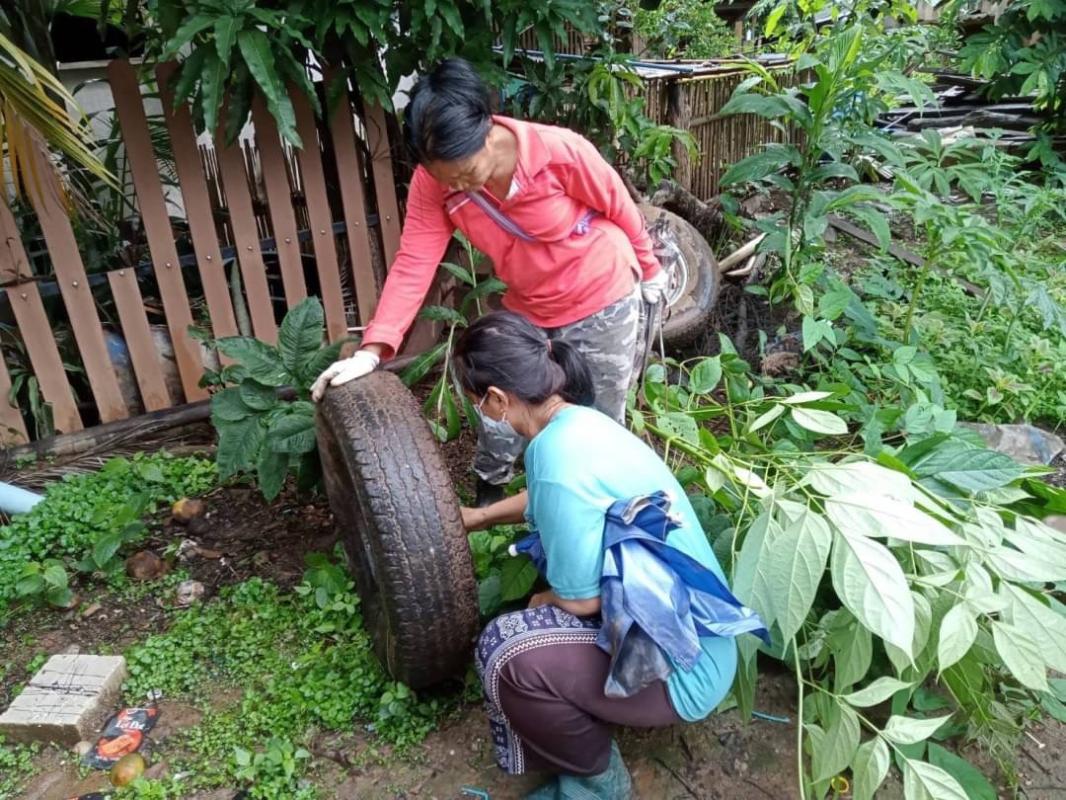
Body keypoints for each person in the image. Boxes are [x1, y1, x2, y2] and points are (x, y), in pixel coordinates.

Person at [310, 57, 668, 505]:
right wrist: (373, 349)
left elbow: (619, 207)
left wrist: (651, 272)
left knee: (594, 420)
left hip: (602, 296)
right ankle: (491, 493)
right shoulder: (433, 182)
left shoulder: (559, 152)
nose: (459, 185)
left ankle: (596, 507)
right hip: (529, 308)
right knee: (499, 405)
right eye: (448, 178)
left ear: (485, 129)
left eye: (466, 171)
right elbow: (415, 260)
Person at [453, 311, 740, 800]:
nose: (480, 409)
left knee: (506, 651)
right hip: (703, 639)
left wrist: (543, 602)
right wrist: (478, 518)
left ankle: (599, 784)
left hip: (686, 670)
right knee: (532, 620)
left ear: (498, 400)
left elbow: (582, 600)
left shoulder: (556, 457)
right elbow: (553, 500)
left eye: (477, 401)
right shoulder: (578, 424)